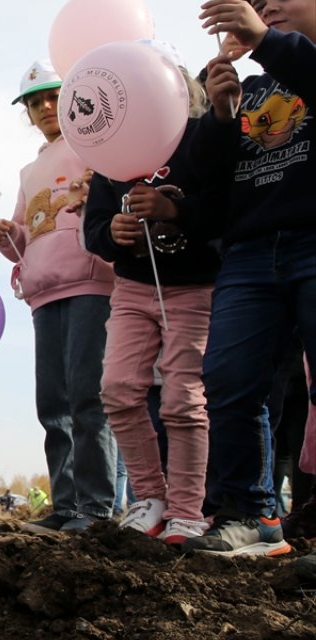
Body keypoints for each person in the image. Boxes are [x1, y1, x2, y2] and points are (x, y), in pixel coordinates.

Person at [181, 0, 316, 558]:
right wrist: (218, 116)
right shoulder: (253, 86)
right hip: (250, 252)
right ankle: (250, 513)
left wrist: (265, 40)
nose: (267, 6)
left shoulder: (288, 58)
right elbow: (211, 184)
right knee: (230, 378)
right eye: (257, 2)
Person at [83, 46, 222, 546]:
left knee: (183, 399)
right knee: (117, 389)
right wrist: (112, 232)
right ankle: (151, 498)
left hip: (192, 289)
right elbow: (92, 228)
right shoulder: (110, 158)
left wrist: (171, 209)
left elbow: (220, 212)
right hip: (132, 290)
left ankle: (188, 511)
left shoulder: (199, 146)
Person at [0, 59, 117, 533]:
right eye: (34, 102)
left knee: (89, 397)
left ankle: (96, 507)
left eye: (51, 98)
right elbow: (29, 235)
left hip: (90, 282)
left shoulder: (98, 147)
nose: (44, 108)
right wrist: (7, 234)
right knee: (53, 404)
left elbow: (118, 197)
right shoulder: (30, 169)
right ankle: (65, 505)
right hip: (44, 292)